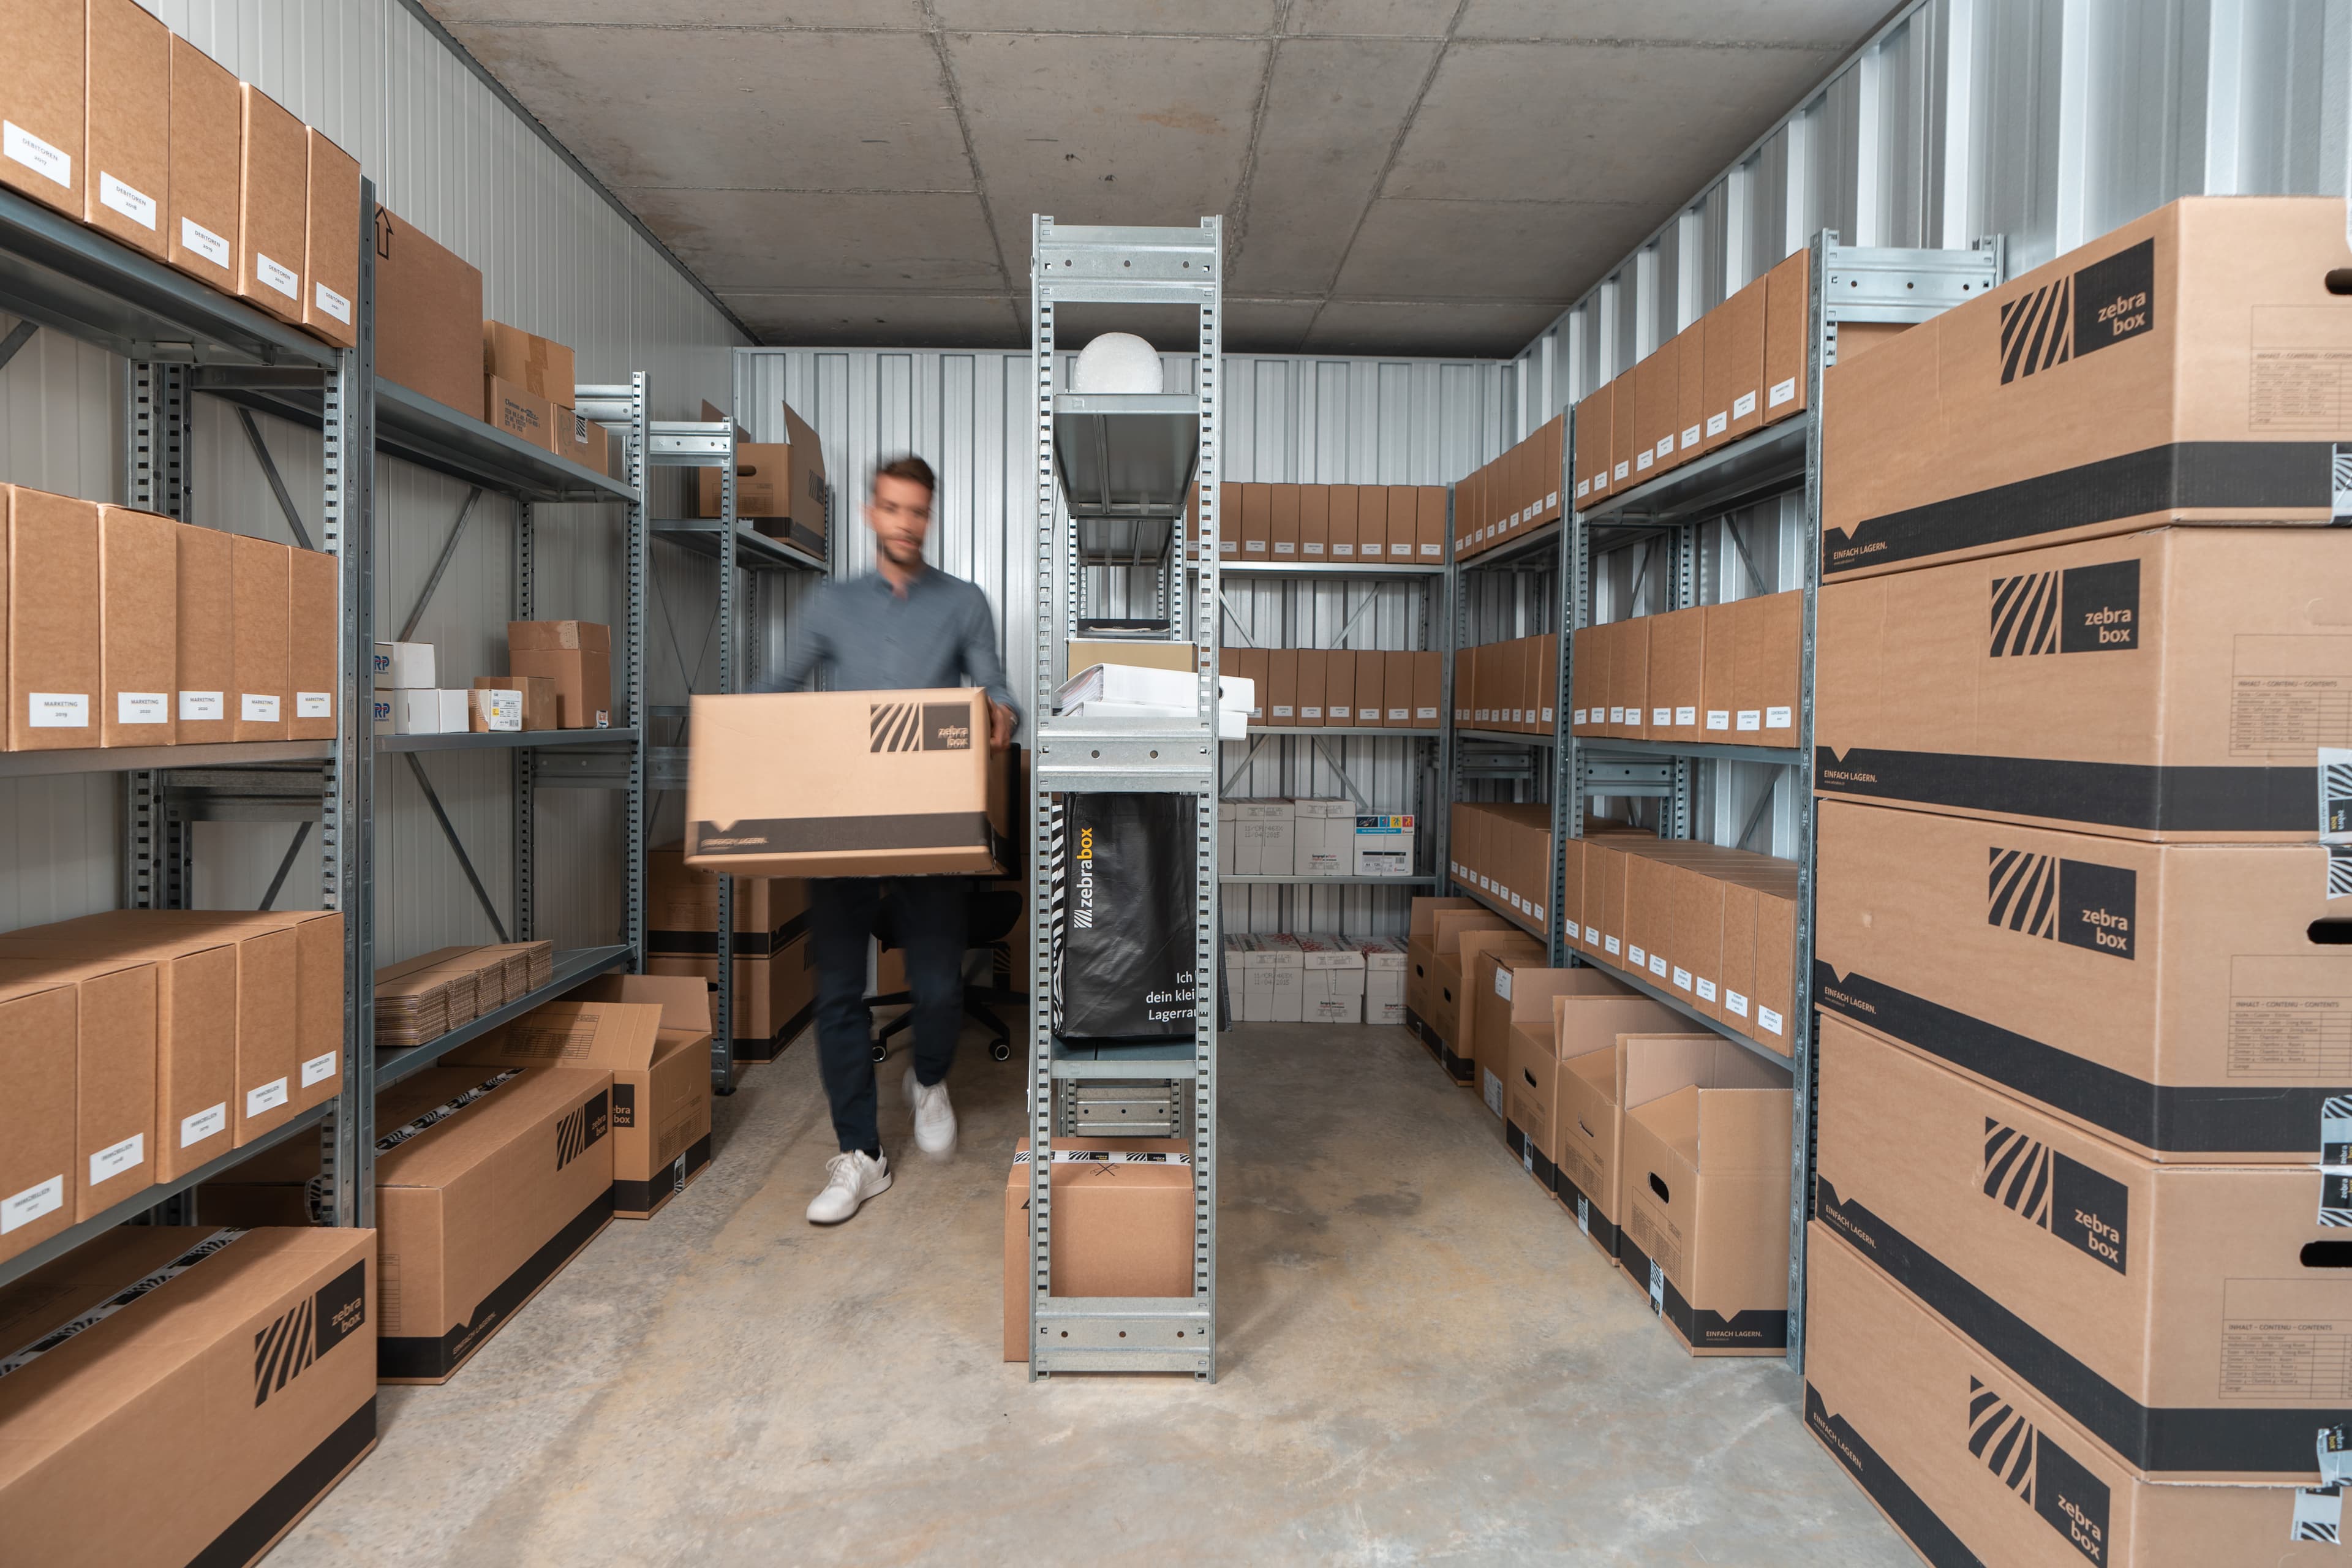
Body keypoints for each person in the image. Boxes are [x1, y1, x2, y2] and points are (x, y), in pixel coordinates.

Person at [764, 453, 1017, 1225]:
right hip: (842, 819)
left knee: (939, 987)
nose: (906, 522)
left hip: (927, 820)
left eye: (919, 511)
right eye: (894, 508)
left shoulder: (964, 601)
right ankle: (861, 1155)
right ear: (873, 514)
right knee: (840, 992)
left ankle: (930, 1075)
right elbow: (778, 692)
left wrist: (1002, 715)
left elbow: (994, 686)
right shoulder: (831, 604)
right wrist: (742, 735)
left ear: (928, 517)